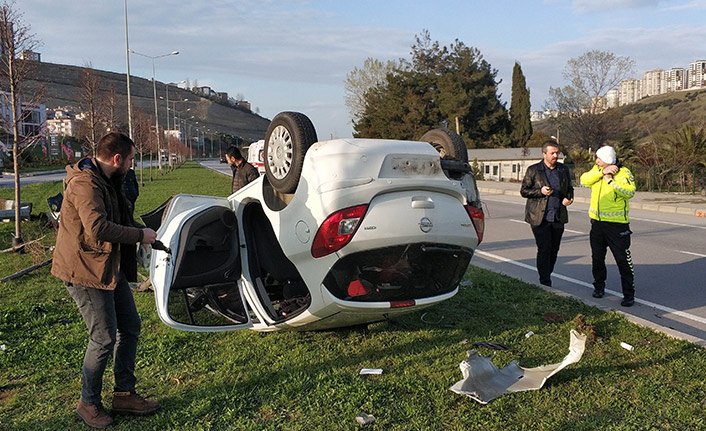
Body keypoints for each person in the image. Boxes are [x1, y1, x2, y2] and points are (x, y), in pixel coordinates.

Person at [51, 132, 160, 428]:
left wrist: (149, 234)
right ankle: (88, 403)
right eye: (131, 159)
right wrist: (139, 236)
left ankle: (124, 394)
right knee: (103, 338)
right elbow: (97, 227)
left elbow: (119, 219)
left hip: (106, 267)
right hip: (85, 271)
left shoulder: (106, 180)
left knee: (130, 326)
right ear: (117, 159)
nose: (132, 165)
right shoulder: (85, 183)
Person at [580, 145, 636, 307]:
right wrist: (601, 172)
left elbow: (630, 191)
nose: (596, 161)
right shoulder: (597, 170)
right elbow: (584, 180)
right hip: (597, 224)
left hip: (617, 227)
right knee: (597, 258)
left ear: (609, 160)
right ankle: (599, 287)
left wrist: (610, 181)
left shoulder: (624, 172)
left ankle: (629, 294)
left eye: (599, 158)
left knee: (623, 260)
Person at [520, 140, 574, 287]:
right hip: (539, 217)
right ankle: (544, 281)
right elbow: (524, 191)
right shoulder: (534, 170)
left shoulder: (563, 170)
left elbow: (569, 188)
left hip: (558, 216)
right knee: (544, 248)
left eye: (557, 153)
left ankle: (547, 273)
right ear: (544, 154)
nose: (555, 155)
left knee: (554, 249)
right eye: (552, 153)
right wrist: (540, 191)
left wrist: (568, 199)